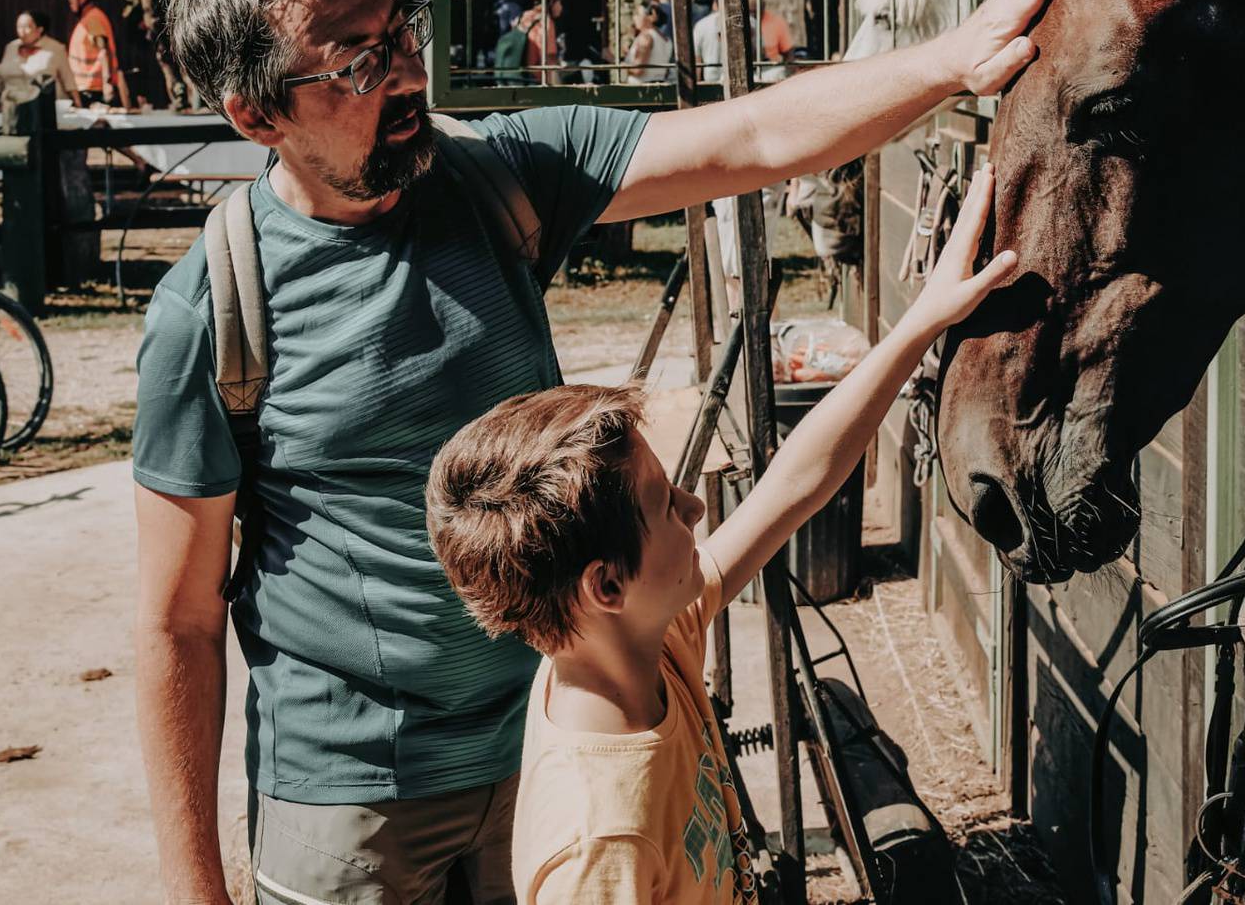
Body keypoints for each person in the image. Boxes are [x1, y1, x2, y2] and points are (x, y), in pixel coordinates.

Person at [131, 0, 1064, 905]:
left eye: (402, 35)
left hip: (554, 735)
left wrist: (955, 62)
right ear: (256, 115)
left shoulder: (496, 180)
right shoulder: (213, 312)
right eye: (357, 64)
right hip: (356, 802)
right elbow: (178, 624)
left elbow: (753, 134)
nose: (406, 75)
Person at [425, 167, 1011, 904]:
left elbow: (793, 486)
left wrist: (923, 317)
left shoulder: (641, 644)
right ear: (606, 584)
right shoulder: (598, 841)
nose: (695, 507)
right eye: (665, 504)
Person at [0, 9, 83, 108]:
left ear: (40, 29)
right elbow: (0, 80)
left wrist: (78, 105)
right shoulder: (11, 47)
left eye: (27, 27)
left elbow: (68, 80)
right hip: (11, 107)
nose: (22, 32)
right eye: (19, 27)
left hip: (44, 108)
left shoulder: (55, 49)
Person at [66, 0, 130, 107]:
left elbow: (104, 51)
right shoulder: (88, 18)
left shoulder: (93, 18)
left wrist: (107, 84)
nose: (69, 0)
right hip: (87, 88)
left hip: (93, 90)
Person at [624, 0, 673, 85]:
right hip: (658, 86)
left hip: (640, 89)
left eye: (638, 14)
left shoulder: (645, 37)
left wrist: (618, 64)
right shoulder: (666, 39)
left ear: (651, 16)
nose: (635, 17)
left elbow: (638, 69)